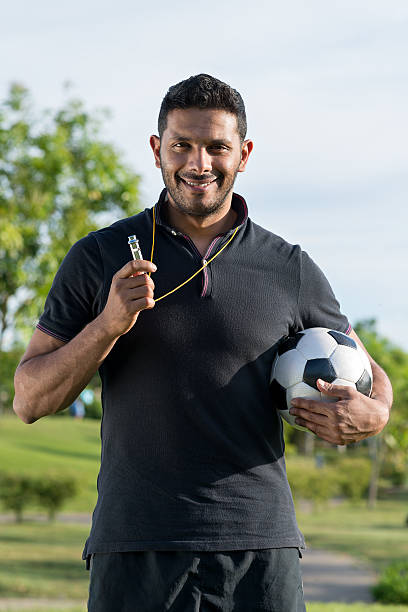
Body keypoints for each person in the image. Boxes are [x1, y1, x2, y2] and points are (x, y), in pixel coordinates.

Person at [13, 74, 392, 611]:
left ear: (245, 153)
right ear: (156, 149)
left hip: (260, 550)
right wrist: (107, 324)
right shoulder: (98, 256)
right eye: (181, 146)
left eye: (217, 147)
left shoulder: (290, 267)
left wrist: (376, 413)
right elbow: (28, 398)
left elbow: (369, 370)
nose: (199, 164)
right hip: (135, 545)